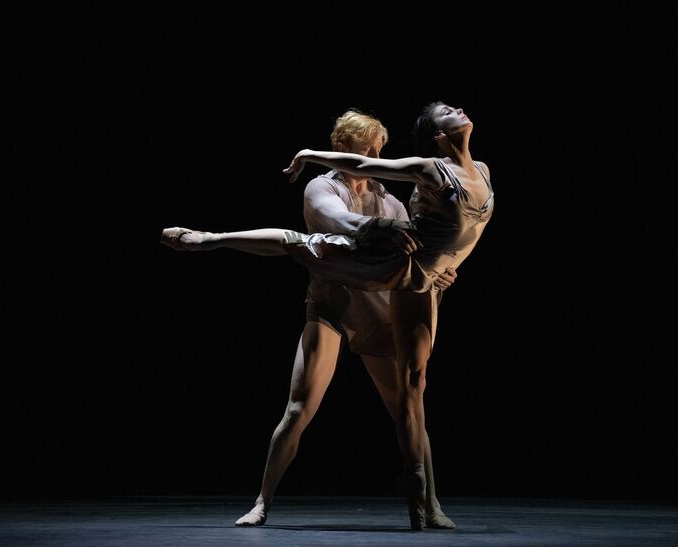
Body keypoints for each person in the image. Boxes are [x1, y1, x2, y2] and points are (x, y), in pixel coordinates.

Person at [162, 102, 493, 529]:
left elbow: (425, 244)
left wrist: (439, 269)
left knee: (409, 405)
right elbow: (336, 221)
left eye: (379, 151)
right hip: (333, 306)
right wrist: (376, 229)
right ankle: (262, 500)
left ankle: (431, 503)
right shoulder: (321, 187)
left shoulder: (389, 199)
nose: (375, 160)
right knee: (300, 407)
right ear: (342, 147)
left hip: (375, 307)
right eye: (368, 150)